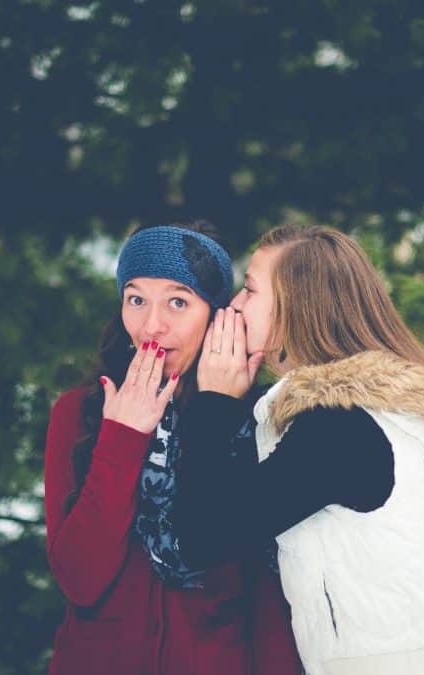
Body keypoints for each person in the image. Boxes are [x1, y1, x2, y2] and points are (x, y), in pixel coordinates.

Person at [170, 224, 424, 675]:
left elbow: (203, 537)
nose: (235, 306)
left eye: (249, 291)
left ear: (293, 310)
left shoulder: (339, 432)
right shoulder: (370, 414)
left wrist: (213, 404)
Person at [43, 222, 301, 675]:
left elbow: (268, 600)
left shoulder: (257, 418)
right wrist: (122, 439)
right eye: (136, 299)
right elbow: (79, 579)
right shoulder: (79, 413)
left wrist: (216, 410)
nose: (151, 325)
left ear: (217, 316)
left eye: (178, 301)